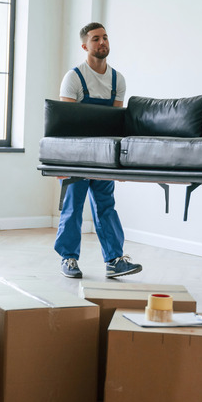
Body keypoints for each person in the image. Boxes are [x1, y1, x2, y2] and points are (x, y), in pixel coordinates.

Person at [55, 22, 142, 279]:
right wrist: (64, 163)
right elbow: (66, 123)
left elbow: (115, 123)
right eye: (95, 39)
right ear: (85, 46)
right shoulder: (74, 78)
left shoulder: (118, 80)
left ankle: (114, 259)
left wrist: (118, 163)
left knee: (106, 205)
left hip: (103, 154)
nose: (102, 42)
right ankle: (69, 258)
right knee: (74, 205)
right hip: (78, 153)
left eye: (105, 38)